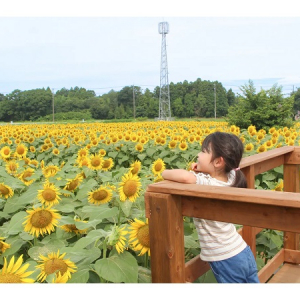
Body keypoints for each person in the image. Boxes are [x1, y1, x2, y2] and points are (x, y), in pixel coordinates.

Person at [161, 131, 260, 283]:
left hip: (225, 258)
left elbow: (185, 177)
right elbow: (218, 171)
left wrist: (164, 172)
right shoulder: (232, 177)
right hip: (241, 250)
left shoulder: (207, 183)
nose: (198, 154)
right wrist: (202, 168)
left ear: (218, 162)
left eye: (203, 151)